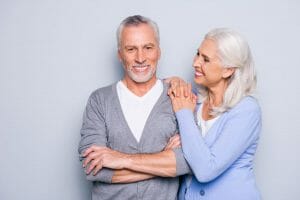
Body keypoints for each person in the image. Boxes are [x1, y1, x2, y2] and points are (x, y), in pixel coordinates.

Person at [78, 15, 190, 200]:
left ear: (159, 51)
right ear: (120, 54)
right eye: (131, 49)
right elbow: (93, 170)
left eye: (148, 48)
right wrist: (164, 161)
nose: (140, 58)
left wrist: (121, 159)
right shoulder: (100, 100)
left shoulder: (178, 96)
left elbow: (187, 162)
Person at [169, 28, 262, 199]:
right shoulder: (194, 101)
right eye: (198, 54)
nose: (195, 63)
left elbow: (205, 170)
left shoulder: (247, 110)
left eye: (205, 59)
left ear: (228, 70)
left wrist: (183, 114)